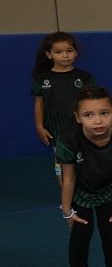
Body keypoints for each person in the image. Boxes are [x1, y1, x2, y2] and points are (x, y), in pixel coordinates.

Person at [56, 85, 112, 267]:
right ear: (78, 117)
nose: (98, 121)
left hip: (107, 190)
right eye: (88, 115)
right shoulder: (68, 139)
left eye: (104, 113)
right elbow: (68, 177)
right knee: (81, 236)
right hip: (80, 192)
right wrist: (67, 210)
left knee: (111, 234)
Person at [32, 31, 94, 195]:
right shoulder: (42, 78)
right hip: (56, 130)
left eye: (69, 51)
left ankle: (86, 193)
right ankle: (67, 196)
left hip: (81, 129)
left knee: (84, 161)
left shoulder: (84, 77)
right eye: (58, 52)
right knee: (62, 163)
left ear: (76, 52)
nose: (65, 55)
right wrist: (39, 126)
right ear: (49, 54)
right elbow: (39, 104)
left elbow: (93, 103)